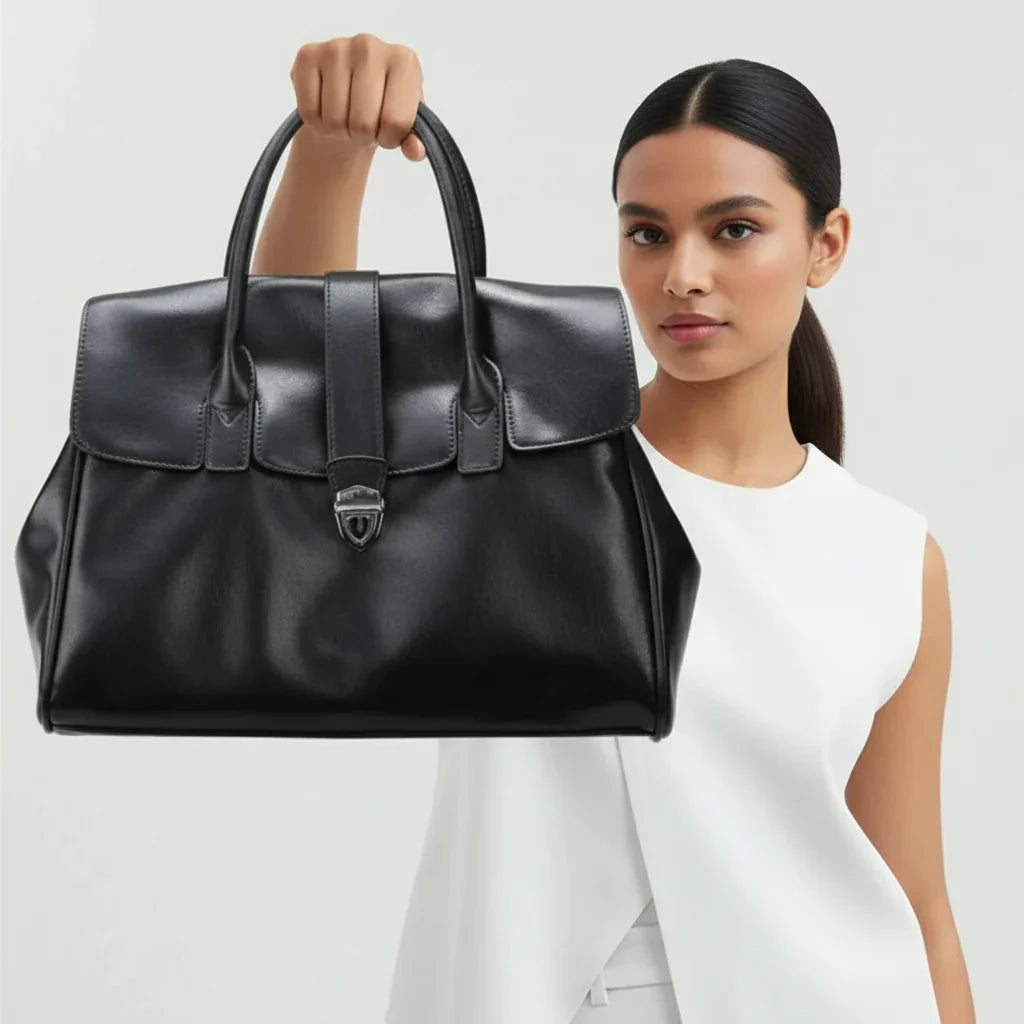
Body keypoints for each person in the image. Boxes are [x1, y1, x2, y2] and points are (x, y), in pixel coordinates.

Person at [252, 33, 975, 1024]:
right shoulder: (514, 473)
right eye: (646, 233)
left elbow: (918, 901)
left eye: (732, 230)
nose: (681, 274)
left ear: (825, 245)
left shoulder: (892, 559)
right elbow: (299, 415)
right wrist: (332, 150)